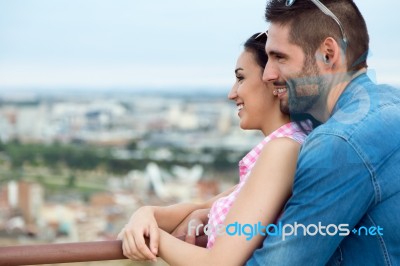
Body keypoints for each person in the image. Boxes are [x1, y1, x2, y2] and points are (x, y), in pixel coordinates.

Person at [118, 33, 317, 265]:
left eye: (241, 78)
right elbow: (203, 206)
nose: (232, 93)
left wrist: (154, 238)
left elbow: (219, 263)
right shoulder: (290, 143)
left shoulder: (284, 149)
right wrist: (145, 214)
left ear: (274, 80)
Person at [242, 0, 400, 265]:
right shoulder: (389, 104)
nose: (268, 74)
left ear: (327, 54)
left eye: (280, 57)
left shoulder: (338, 143)